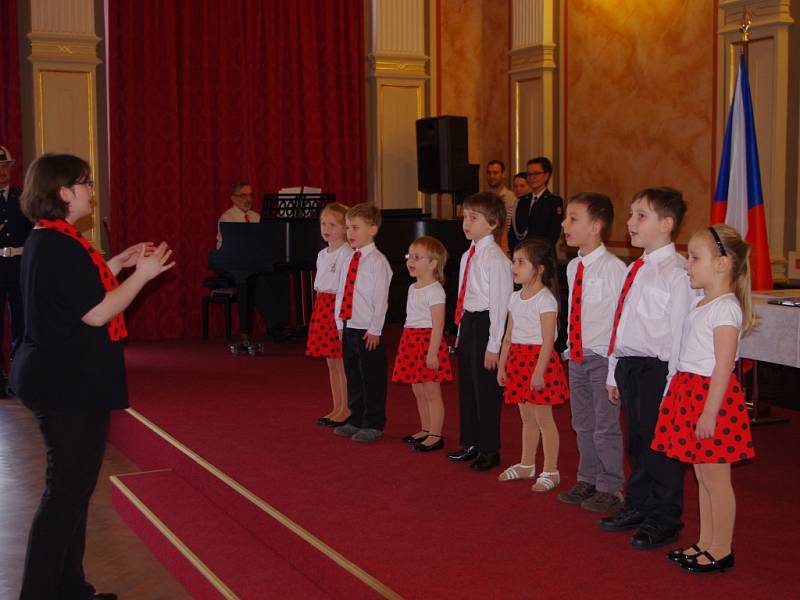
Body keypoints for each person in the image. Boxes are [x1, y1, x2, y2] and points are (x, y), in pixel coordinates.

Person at [11, 153, 174, 600]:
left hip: (65, 378)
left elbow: (82, 284)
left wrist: (118, 262)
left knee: (75, 492)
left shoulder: (55, 239)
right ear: (63, 193)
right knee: (64, 495)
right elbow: (97, 311)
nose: (91, 189)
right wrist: (141, 276)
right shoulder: (57, 244)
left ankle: (68, 588)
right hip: (66, 384)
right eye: (85, 183)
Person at [652, 224, 755, 574]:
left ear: (723, 264)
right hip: (690, 393)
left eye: (695, 258)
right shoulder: (703, 302)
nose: (687, 265)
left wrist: (709, 413)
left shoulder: (725, 309)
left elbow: (724, 367)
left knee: (716, 480)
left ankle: (722, 549)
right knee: (701, 476)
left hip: (712, 398)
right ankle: (706, 541)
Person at [601, 187, 696, 550]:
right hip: (629, 365)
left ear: (667, 224)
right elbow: (621, 324)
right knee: (637, 443)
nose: (630, 223)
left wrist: (673, 386)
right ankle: (639, 505)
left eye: (641, 216)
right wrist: (613, 371)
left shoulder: (678, 273)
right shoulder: (635, 268)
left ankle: (665, 517)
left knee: (662, 448)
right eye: (630, 214)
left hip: (659, 371)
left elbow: (679, 334)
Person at [557, 193, 627, 512]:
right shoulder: (573, 267)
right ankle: (588, 477)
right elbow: (577, 309)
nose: (564, 224)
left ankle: (611, 485)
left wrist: (614, 368)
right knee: (581, 423)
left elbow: (618, 320)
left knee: (605, 425)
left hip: (602, 357)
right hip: (578, 356)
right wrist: (570, 349)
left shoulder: (613, 269)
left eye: (573, 219)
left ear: (595, 227)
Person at [446, 192, 513, 472]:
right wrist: (460, 330)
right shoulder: (467, 255)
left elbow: (500, 304)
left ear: (493, 223)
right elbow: (464, 296)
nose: (466, 223)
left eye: (474, 218)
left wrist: (494, 345)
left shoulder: (496, 259)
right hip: (470, 322)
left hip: (488, 324)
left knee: (486, 389)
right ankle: (470, 442)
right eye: (465, 217)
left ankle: (489, 448)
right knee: (468, 386)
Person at [497, 239, 568, 491]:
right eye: (513, 261)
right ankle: (527, 464)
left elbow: (549, 342)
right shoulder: (515, 298)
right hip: (518, 360)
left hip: (539, 362)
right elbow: (508, 336)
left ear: (539, 269)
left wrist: (539, 372)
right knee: (526, 418)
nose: (514, 267)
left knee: (544, 419)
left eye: (521, 262)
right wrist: (502, 365)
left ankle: (551, 469)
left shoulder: (545, 300)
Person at [333, 203, 393, 443]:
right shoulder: (349, 258)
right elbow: (341, 292)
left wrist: (375, 329)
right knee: (353, 374)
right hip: (350, 325)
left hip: (369, 330)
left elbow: (381, 300)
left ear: (373, 229)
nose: (350, 233)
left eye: (356, 227)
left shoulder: (378, 262)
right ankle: (356, 417)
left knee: (372, 376)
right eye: (348, 227)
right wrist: (339, 322)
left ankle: (374, 422)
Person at [392, 236, 453, 452]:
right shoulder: (412, 288)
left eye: (417, 257)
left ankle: (436, 434)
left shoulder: (435, 290)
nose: (411, 261)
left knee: (431, 391)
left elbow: (438, 325)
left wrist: (433, 353)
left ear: (433, 263)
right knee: (417, 389)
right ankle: (425, 428)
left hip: (427, 342)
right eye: (410, 256)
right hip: (411, 340)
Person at [214, 180, 290, 346]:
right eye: (243, 195)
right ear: (233, 198)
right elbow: (232, 248)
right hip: (230, 264)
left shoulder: (257, 217)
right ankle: (273, 327)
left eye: (250, 195)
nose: (248, 199)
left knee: (280, 276)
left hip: (254, 263)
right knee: (256, 280)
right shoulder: (227, 218)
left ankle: (283, 323)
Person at [307, 203, 352, 427]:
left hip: (337, 308)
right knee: (331, 364)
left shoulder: (347, 254)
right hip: (322, 306)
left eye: (333, 225)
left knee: (340, 362)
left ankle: (346, 408)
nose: (327, 228)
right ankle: (337, 406)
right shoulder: (322, 254)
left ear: (345, 228)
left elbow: (345, 289)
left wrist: (341, 322)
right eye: (324, 223)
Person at [0, 145, 32, 397]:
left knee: (22, 321)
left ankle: (19, 374)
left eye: (6, 166)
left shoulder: (22, 199)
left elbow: (34, 235)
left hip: (19, 267)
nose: (2, 172)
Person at [508, 157, 563, 254]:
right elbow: (513, 233)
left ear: (546, 176)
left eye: (536, 174)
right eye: (529, 174)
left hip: (542, 256)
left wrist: (534, 255)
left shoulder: (554, 202)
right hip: (521, 255)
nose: (532, 178)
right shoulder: (522, 201)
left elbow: (552, 235)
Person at [486, 160, 516, 255]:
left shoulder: (512, 197)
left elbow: (510, 226)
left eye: (495, 173)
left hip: (504, 246)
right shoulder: (484, 198)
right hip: (487, 245)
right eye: (489, 173)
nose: (492, 176)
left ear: (503, 174)